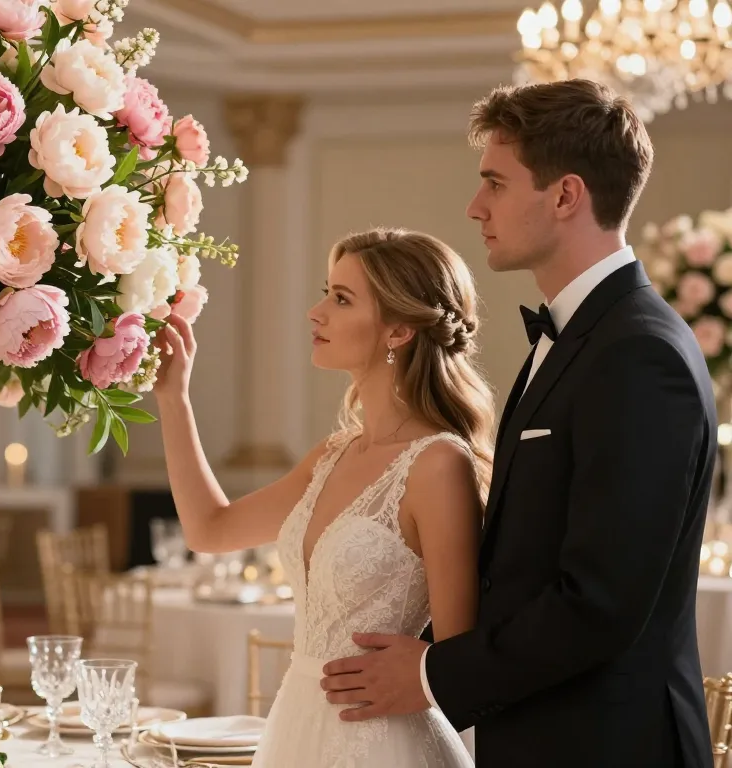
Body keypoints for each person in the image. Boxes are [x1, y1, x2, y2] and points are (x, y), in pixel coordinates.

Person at [319, 79, 717, 768]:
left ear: (565, 195)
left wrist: (430, 673)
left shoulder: (639, 353)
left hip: (611, 748)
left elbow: (601, 602)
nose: (475, 207)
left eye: (495, 184)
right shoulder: (574, 339)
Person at [154, 226, 497, 767]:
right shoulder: (332, 455)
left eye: (341, 299)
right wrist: (175, 398)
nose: (316, 313)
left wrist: (427, 672)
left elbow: (459, 661)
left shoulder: (438, 464)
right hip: (298, 723)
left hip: (385, 740)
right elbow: (210, 530)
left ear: (399, 330)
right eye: (325, 293)